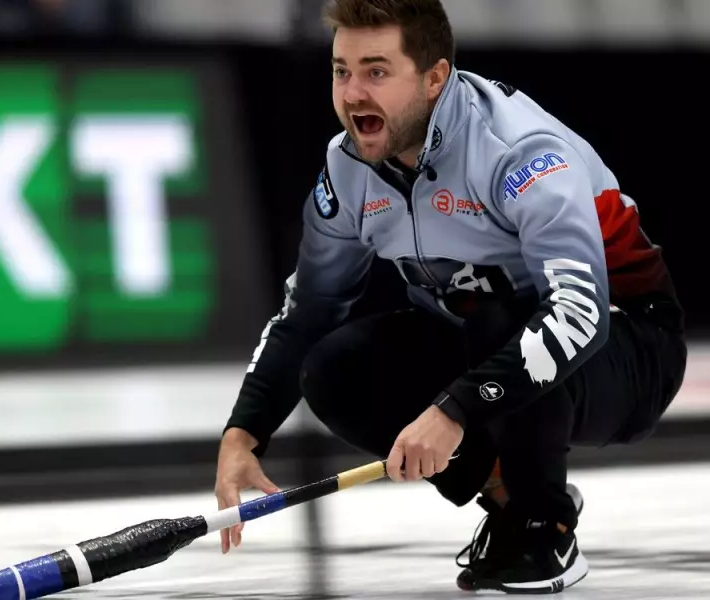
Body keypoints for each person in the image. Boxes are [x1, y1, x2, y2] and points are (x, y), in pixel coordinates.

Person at [214, 0, 687, 594]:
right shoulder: (347, 166)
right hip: (481, 340)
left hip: (628, 344)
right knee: (334, 370)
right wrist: (243, 435)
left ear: (435, 77)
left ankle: (546, 529)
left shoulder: (520, 154)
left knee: (502, 320)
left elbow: (579, 313)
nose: (353, 93)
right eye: (341, 71)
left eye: (377, 71)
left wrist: (452, 412)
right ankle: (508, 492)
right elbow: (308, 310)